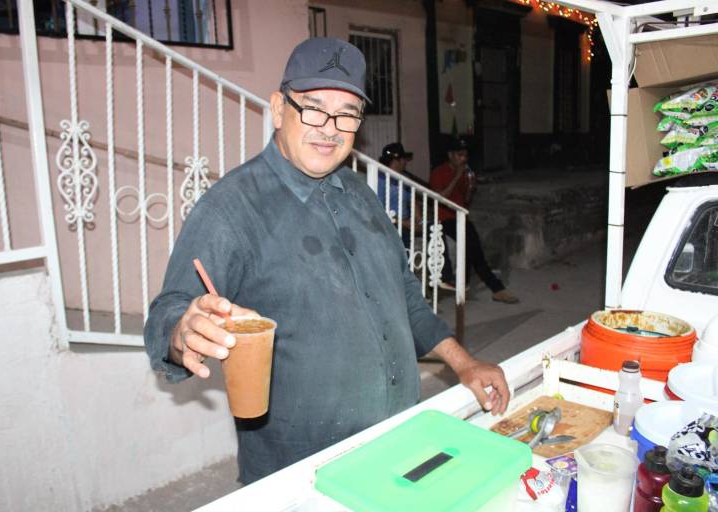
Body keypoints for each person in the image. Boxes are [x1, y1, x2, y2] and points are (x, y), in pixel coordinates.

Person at [144, 37, 510, 485]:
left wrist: (464, 363)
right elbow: (168, 313)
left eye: (347, 114)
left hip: (399, 445)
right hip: (304, 474)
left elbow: (406, 299)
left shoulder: (360, 193)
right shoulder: (230, 209)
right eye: (314, 109)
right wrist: (181, 331)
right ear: (278, 109)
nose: (330, 128)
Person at [430, 137, 520, 304]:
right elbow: (440, 198)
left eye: (465, 155)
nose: (463, 159)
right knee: (473, 249)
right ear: (450, 155)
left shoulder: (466, 173)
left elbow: (465, 200)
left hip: (460, 216)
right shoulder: (439, 172)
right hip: (444, 218)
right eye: (460, 155)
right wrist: (456, 177)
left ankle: (465, 284)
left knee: (472, 249)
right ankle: (496, 289)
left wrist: (470, 187)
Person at [377, 142, 417, 249]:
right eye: (403, 159)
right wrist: (404, 223)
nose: (405, 162)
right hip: (390, 223)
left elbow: (413, 201)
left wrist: (418, 220)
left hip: (405, 223)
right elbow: (379, 209)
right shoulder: (380, 179)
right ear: (396, 161)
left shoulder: (405, 179)